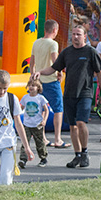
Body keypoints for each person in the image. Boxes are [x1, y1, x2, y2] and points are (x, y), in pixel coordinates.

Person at [33, 25, 101, 168]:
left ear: (85, 36)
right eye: (73, 34)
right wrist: (40, 72)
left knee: (81, 123)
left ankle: (85, 153)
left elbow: (100, 74)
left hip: (85, 93)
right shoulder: (67, 52)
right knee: (72, 126)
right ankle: (77, 155)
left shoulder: (91, 52)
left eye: (78, 34)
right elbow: (54, 68)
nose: (75, 37)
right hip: (69, 94)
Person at [29, 19, 68, 148]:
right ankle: (58, 138)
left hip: (39, 80)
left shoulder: (36, 42)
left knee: (40, 108)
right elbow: (55, 60)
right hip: (50, 79)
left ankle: (43, 137)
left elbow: (32, 62)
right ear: (54, 30)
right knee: (58, 109)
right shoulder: (53, 44)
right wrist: (60, 71)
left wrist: (33, 76)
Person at [18, 78, 49, 168]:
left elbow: (46, 110)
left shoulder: (40, 98)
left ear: (38, 88)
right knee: (25, 142)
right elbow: (21, 108)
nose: (31, 87)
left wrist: (44, 120)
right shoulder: (25, 97)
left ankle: (43, 158)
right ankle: (23, 159)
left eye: (34, 85)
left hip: (37, 124)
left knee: (39, 142)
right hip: (27, 124)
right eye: (30, 85)